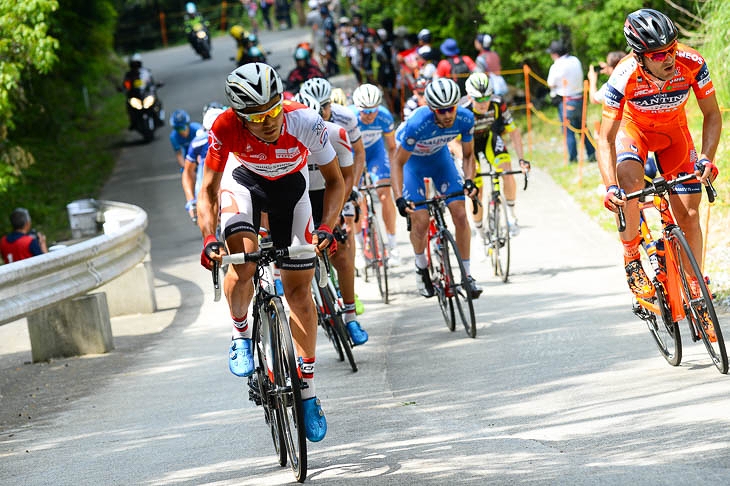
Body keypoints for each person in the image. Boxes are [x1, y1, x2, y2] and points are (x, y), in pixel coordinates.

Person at [198, 63, 345, 442]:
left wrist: (327, 226)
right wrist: (208, 238)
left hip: (291, 191)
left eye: (274, 109)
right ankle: (241, 334)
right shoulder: (225, 127)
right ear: (240, 116)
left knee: (299, 291)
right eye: (257, 116)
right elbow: (209, 190)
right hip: (244, 184)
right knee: (244, 261)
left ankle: (308, 395)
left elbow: (334, 181)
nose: (268, 121)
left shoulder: (306, 121)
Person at [599, 9, 721, 301]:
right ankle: (632, 259)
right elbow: (605, 139)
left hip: (673, 135)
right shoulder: (623, 75)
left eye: (671, 49)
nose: (668, 58)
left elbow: (713, 115)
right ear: (639, 56)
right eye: (657, 55)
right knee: (630, 186)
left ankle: (694, 285)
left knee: (690, 213)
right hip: (634, 132)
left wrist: (706, 157)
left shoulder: (692, 63)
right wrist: (610, 186)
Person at [390, 77, 482, 298]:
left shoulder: (465, 118)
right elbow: (397, 162)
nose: (448, 114)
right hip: (413, 164)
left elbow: (469, 155)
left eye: (451, 108)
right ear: (432, 109)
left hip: (440, 160)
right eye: (441, 111)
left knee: (460, 214)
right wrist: (399, 198)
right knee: (420, 221)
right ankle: (421, 266)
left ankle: (467, 275)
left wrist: (470, 180)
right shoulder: (417, 124)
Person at [293, 92, 369, 345]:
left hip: (328, 191)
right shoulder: (287, 137)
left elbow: (345, 179)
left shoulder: (337, 134)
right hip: (297, 195)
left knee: (342, 250)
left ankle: (350, 316)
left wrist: (333, 217)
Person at [453, 73, 530, 238]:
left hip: (489, 137)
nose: (483, 103)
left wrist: (522, 159)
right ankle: (481, 233)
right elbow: (452, 142)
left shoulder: (497, 103)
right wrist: (468, 164)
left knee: (507, 171)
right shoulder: (460, 109)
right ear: (469, 96)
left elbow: (514, 132)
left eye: (486, 98)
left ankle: (511, 215)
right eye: (478, 99)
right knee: (476, 188)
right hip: (467, 144)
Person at [349, 84, 401, 266]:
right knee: (356, 200)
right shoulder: (350, 118)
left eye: (373, 110)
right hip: (354, 155)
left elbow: (392, 147)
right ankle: (360, 248)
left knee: (385, 195)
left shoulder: (384, 116)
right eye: (365, 111)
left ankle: (393, 247)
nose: (370, 115)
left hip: (375, 153)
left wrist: (394, 175)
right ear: (357, 108)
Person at [546, 39, 596, 163]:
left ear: (555, 54)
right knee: (583, 128)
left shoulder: (556, 65)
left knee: (568, 131)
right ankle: (591, 154)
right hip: (580, 99)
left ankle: (573, 158)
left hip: (566, 100)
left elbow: (550, 83)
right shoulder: (575, 60)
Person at [182, 102, 226, 222]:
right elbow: (188, 172)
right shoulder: (198, 141)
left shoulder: (198, 140)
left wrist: (191, 201)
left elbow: (187, 172)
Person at [122, 54, 163, 130]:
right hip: (135, 96)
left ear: (140, 63)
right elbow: (126, 85)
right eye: (133, 63)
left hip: (145, 94)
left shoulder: (146, 72)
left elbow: (151, 82)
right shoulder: (128, 75)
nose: (135, 65)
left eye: (136, 63)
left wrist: (155, 85)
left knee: (156, 102)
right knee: (129, 105)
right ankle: (133, 121)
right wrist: (124, 89)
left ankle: (159, 116)